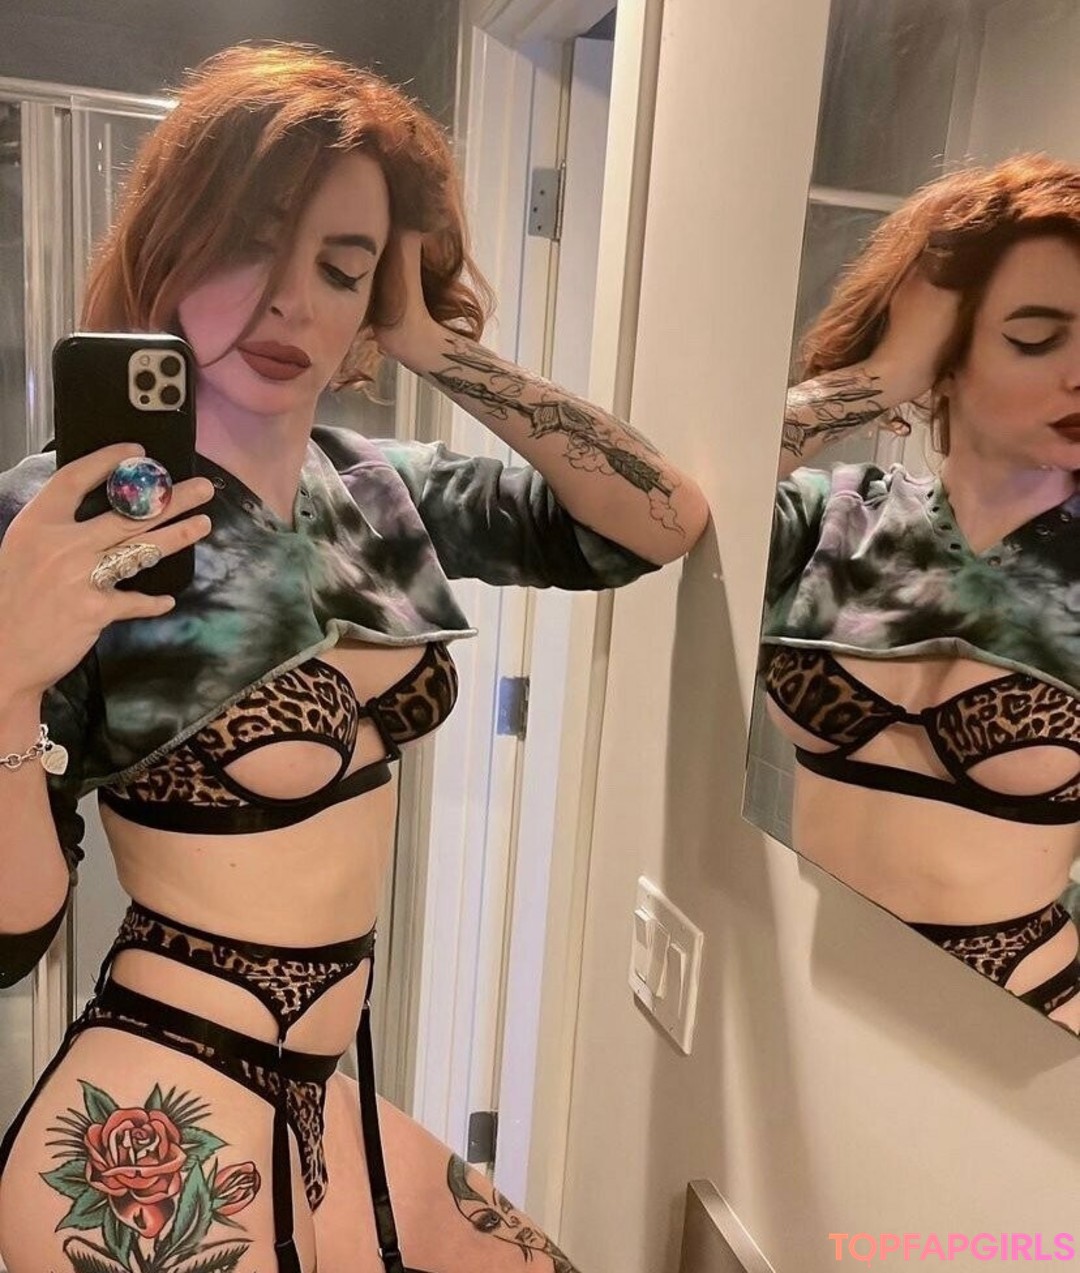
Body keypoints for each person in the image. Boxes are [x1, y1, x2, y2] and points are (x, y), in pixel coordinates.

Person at [0, 43, 710, 1273]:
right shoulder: (62, 522)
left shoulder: (376, 489)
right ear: (170, 247)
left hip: (331, 1094)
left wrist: (430, 337)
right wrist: (4, 680)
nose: (293, 303)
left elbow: (659, 521)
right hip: (161, 1106)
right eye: (249, 244)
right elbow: (11, 937)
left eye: (340, 267)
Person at [759, 153, 1080, 1031]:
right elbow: (664, 502)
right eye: (1036, 337)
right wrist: (879, 376)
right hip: (805, 994)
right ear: (943, 359)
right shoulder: (831, 519)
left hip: (1027, 1019)